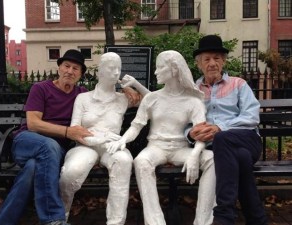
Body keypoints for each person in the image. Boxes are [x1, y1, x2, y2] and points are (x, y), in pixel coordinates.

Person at [0, 49, 140, 225]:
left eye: (75, 68)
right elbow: (33, 123)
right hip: (29, 140)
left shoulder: (81, 94)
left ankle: (3, 222)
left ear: (80, 74)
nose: (70, 71)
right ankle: (53, 218)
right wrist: (67, 132)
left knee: (32, 169)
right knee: (49, 146)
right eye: (66, 66)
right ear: (59, 68)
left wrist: (125, 86)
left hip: (53, 153)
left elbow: (110, 93)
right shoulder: (41, 88)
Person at [107, 50, 216, 225]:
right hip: (156, 148)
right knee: (141, 161)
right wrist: (122, 140)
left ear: (173, 69)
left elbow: (201, 132)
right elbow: (136, 126)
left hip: (181, 149)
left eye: (159, 68)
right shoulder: (152, 98)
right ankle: (155, 221)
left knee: (211, 159)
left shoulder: (193, 101)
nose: (156, 72)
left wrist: (195, 155)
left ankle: (202, 221)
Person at [59, 52, 149, 225]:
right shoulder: (83, 98)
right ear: (99, 71)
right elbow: (75, 130)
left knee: (123, 161)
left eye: (119, 69)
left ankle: (116, 222)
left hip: (112, 146)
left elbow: (153, 100)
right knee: (71, 171)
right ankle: (60, 216)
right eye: (111, 68)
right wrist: (100, 138)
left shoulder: (124, 98)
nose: (116, 73)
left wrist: (135, 85)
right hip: (85, 145)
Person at [187, 35, 268, 225]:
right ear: (199, 64)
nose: (212, 63)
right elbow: (185, 121)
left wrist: (220, 128)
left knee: (223, 138)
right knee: (240, 158)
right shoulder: (194, 90)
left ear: (223, 61)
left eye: (217, 58)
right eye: (207, 59)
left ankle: (224, 216)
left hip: (246, 139)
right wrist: (190, 134)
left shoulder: (238, 84)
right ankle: (257, 219)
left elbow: (251, 116)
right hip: (223, 150)